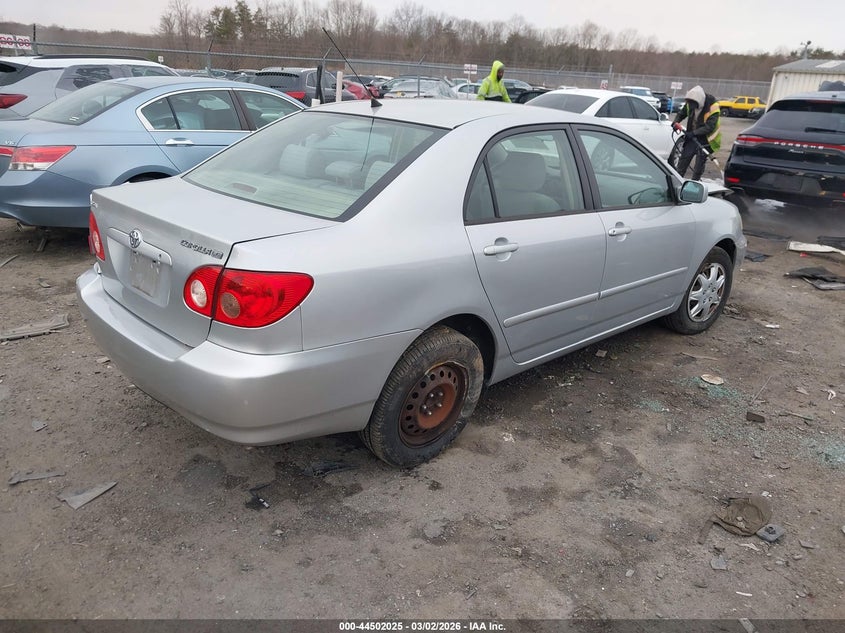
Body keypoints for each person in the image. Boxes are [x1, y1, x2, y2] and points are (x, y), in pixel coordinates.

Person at [672, 85, 721, 180]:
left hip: (706, 140)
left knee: (699, 165)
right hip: (692, 137)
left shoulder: (713, 107)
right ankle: (677, 181)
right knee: (683, 160)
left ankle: (695, 183)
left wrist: (693, 133)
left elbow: (709, 127)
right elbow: (681, 114)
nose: (690, 106)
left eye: (692, 104)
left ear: (699, 101)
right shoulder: (690, 103)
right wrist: (676, 122)